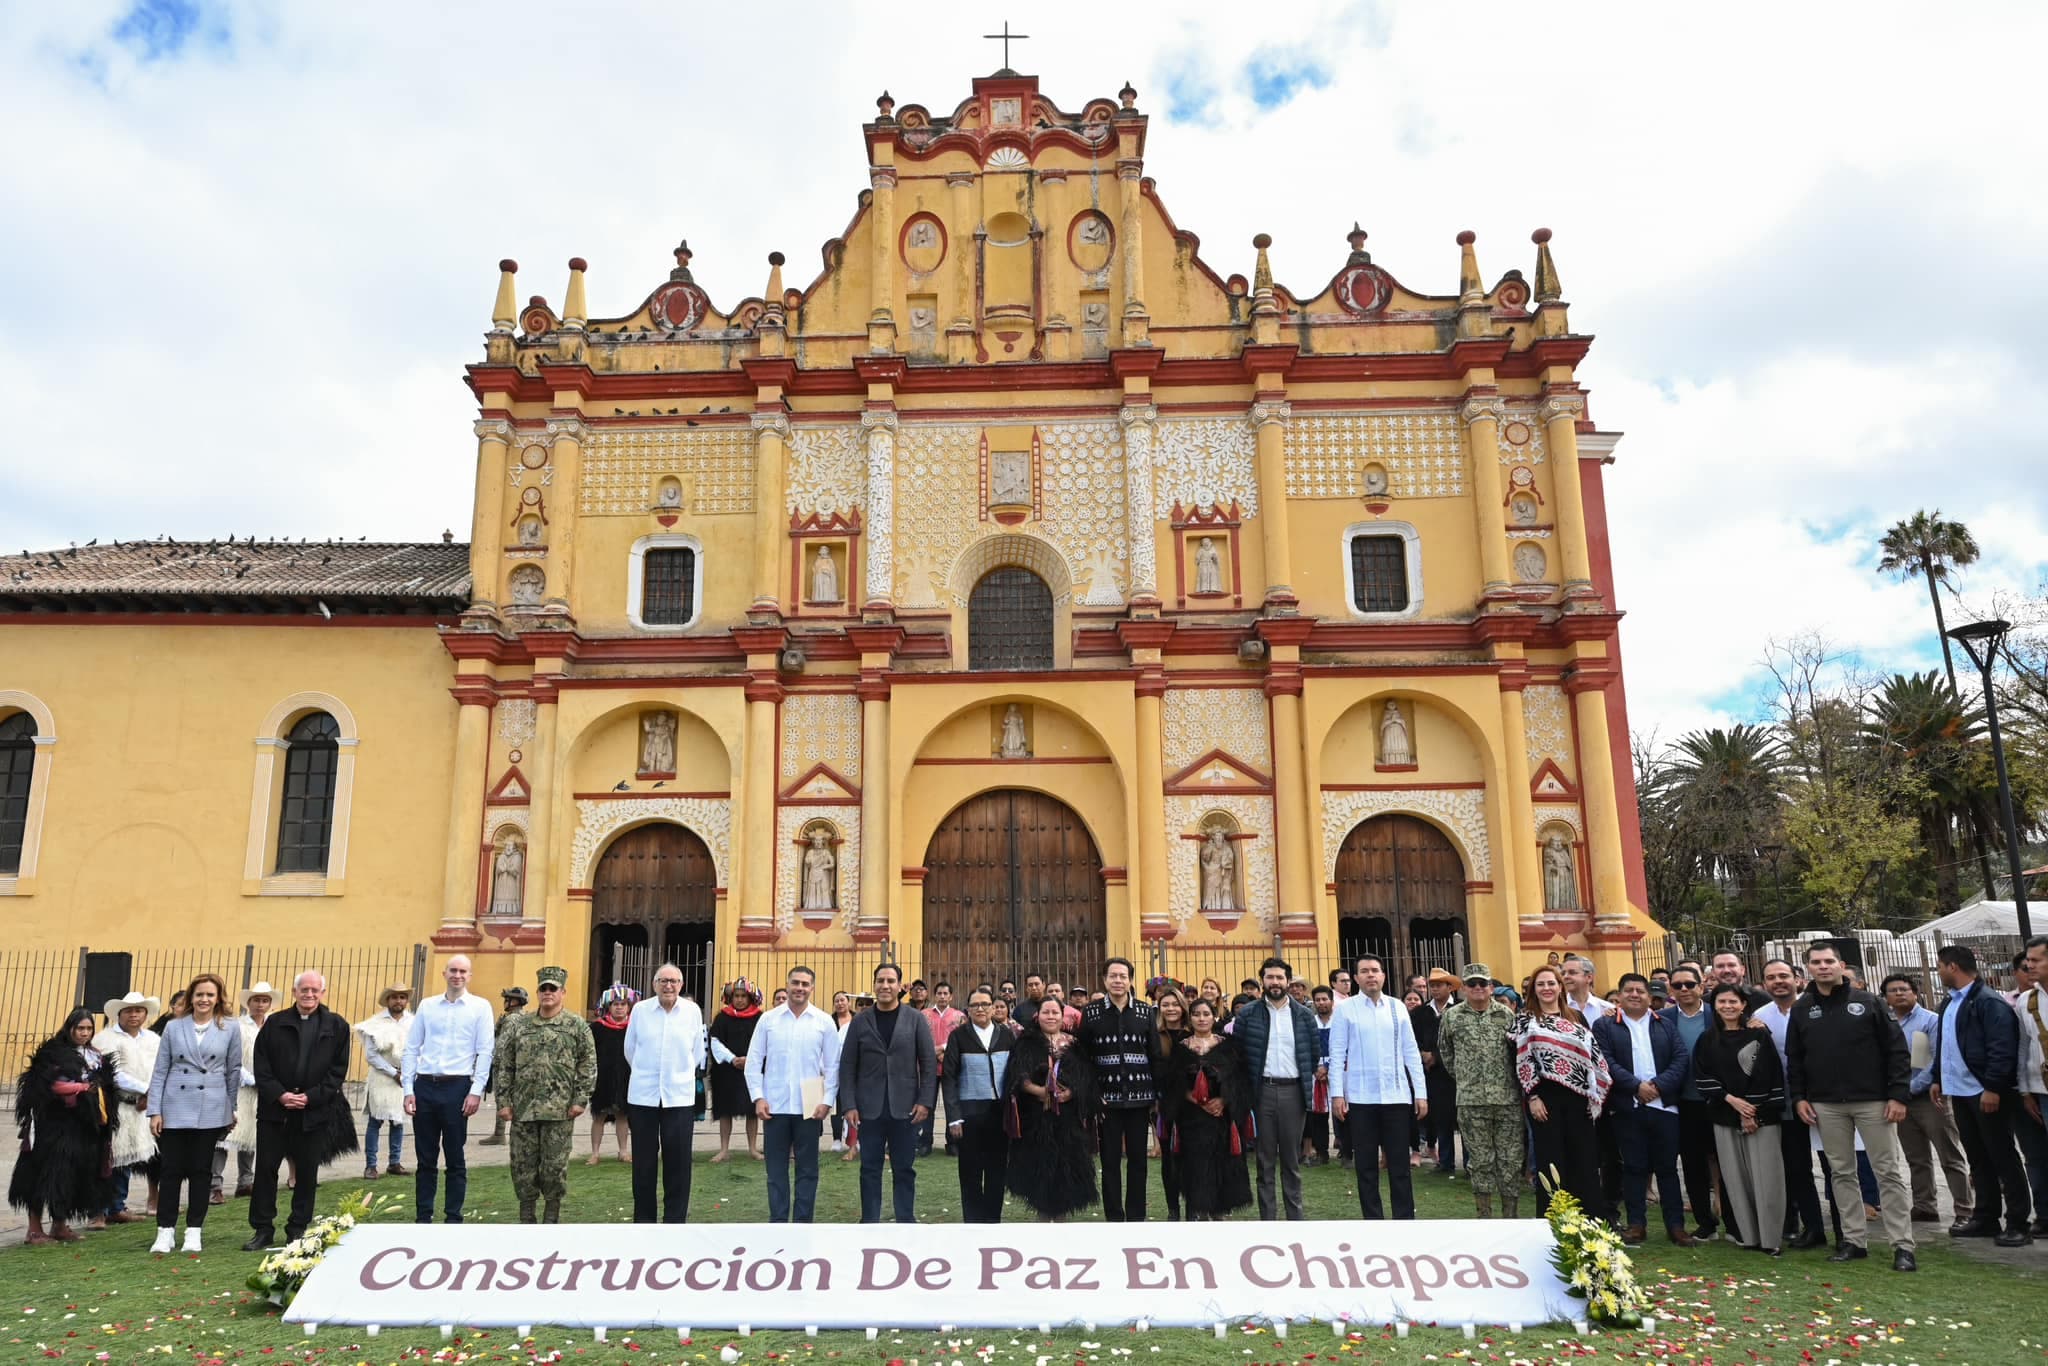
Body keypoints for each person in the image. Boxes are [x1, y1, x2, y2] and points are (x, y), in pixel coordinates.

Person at [1785, 941, 1917, 1271]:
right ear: (1809, 969)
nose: (1824, 966)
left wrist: (1898, 1095)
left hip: (1874, 1101)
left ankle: (1902, 1245)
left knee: (1887, 1172)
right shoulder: (1802, 1008)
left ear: (1841, 965)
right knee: (1841, 1173)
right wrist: (1799, 1097)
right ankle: (1854, 1240)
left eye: (1829, 961)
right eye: (1816, 962)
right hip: (1826, 1104)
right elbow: (1795, 1059)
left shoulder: (1868, 1002)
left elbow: (1897, 1051)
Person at [243, 971, 353, 1251]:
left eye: (315, 990)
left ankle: (297, 1228)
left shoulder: (336, 1026)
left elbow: (337, 1071)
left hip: (313, 1113)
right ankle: (262, 1228)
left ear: (323, 993)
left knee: (306, 1173)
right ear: (294, 992)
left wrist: (311, 1097)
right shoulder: (275, 1024)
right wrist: (280, 1094)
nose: (310, 995)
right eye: (304, 990)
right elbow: (262, 1065)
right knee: (266, 1170)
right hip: (274, 1113)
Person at [1931, 944, 2033, 1246]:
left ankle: (2018, 1222)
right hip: (1960, 1092)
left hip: (1984, 1091)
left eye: (1939, 966)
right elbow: (1945, 1044)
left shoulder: (1988, 1002)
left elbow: (2002, 1048)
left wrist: (1993, 1087)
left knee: (2003, 1156)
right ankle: (1986, 1216)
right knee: (1977, 1157)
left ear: (1952, 967)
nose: (1938, 972)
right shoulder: (1948, 1003)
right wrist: (1938, 1077)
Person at [1592, 973, 1693, 1246]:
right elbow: (1605, 1061)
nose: (1634, 994)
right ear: (1620, 995)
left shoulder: (1666, 1024)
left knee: (1668, 1169)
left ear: (1650, 996)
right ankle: (1637, 1225)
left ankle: (1676, 1227)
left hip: (1664, 1107)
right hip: (1629, 1106)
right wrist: (1637, 1086)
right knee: (1634, 1167)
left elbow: (1680, 1058)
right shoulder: (1605, 1025)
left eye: (1640, 990)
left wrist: (1658, 1086)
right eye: (1628, 990)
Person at [144, 973, 239, 1254]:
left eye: (210, 995)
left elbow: (233, 1070)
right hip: (174, 1105)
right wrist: (155, 1110)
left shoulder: (230, 1028)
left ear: (219, 997)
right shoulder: (174, 1028)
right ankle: (165, 1232)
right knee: (170, 1170)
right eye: (199, 994)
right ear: (190, 997)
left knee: (201, 1171)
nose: (204, 1000)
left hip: (211, 1106)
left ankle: (194, 1231)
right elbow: (160, 1070)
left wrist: (230, 1107)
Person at [1329, 953, 1428, 1219]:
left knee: (1399, 1165)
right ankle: (1373, 1221)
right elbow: (1337, 1054)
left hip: (1396, 1098)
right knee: (1366, 1166)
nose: (1370, 975)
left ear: (1383, 975)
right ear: (1356, 978)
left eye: (1375, 970)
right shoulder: (1346, 1010)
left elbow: (1411, 1052)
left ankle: (1404, 1222)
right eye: (1364, 971)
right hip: (1361, 1100)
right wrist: (1337, 1095)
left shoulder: (1397, 1007)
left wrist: (1420, 1093)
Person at [1693, 982, 1788, 1255]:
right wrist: (1732, 1101)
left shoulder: (1759, 1036)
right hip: (1724, 1115)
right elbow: (1703, 1076)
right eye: (1722, 1002)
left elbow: (1768, 1074)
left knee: (1766, 1178)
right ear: (1715, 1006)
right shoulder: (1707, 1040)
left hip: (1762, 1117)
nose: (1728, 1007)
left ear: (1743, 1004)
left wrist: (1752, 1111)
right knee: (1735, 1178)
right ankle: (1748, 1236)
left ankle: (1771, 1239)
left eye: (1733, 1002)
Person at [496, 966, 597, 1224]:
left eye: (553, 988)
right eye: (544, 988)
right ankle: (527, 1217)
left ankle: (552, 1216)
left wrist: (580, 1099)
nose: (548, 992)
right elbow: (505, 1065)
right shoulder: (521, 1026)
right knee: (523, 1168)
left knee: (554, 1168)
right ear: (538, 992)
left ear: (563, 992)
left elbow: (587, 1064)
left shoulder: (576, 1026)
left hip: (560, 1110)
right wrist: (503, 1101)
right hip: (523, 1109)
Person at [839, 963, 937, 1224]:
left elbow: (928, 1063)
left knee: (904, 1168)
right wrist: (848, 1104)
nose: (885, 985)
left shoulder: (915, 1020)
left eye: (891, 981)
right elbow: (847, 1065)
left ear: (899, 986)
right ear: (874, 985)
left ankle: (905, 1218)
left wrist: (925, 1101)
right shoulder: (860, 1021)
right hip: (868, 1108)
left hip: (906, 1108)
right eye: (880, 980)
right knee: (869, 1168)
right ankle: (870, 1221)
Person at [10, 1007, 118, 1244]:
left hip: (81, 1127)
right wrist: (82, 1088)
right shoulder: (53, 1054)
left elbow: (105, 1085)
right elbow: (51, 1086)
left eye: (89, 1028)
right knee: (39, 1175)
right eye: (80, 1028)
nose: (85, 1033)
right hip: (52, 1127)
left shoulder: (96, 1056)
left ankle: (59, 1225)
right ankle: (34, 1230)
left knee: (68, 1177)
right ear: (70, 1028)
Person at [401, 955, 494, 1225]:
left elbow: (485, 1051)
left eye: (463, 971)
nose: (457, 975)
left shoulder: (480, 1007)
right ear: (444, 973)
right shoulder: (428, 1006)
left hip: (458, 1086)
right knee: (425, 1157)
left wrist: (476, 1090)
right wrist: (409, 1088)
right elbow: (411, 1048)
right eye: (453, 970)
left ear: (470, 975)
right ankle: (423, 1216)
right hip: (426, 1085)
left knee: (455, 1156)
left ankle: (453, 1216)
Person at [1514, 964, 1611, 1219]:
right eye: (1541, 984)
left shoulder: (1576, 1018)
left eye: (1551, 983)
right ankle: (1553, 1225)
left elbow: (1593, 1057)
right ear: (1533, 990)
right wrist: (1532, 1097)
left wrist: (1594, 1094)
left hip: (1579, 1101)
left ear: (1560, 987)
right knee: (1551, 1165)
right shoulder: (1525, 1020)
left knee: (1584, 1163)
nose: (1547, 988)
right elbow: (1520, 1060)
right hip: (1545, 1101)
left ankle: (1589, 1225)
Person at [747, 964, 840, 1223]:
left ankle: (802, 1223)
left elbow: (833, 1066)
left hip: (810, 1104)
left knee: (807, 1170)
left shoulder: (823, 1022)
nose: (800, 988)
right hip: (774, 1104)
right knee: (775, 1170)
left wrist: (827, 1100)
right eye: (795, 983)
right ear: (787, 985)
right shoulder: (768, 1020)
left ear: (812, 987)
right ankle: (778, 1223)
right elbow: (754, 1061)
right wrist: (758, 1096)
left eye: (805, 984)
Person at [1882, 973, 1974, 1228]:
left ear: (1915, 993)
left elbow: (1935, 1060)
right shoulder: (1886, 1024)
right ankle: (1924, 1205)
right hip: (1899, 1101)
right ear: (1885, 998)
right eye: (1893, 990)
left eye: (1904, 989)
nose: (1899, 994)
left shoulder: (1930, 1021)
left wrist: (1910, 1089)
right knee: (1915, 1156)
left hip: (1928, 1097)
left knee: (1949, 1154)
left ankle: (1964, 1208)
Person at [1232, 956, 1317, 1221]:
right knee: (1264, 1160)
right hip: (1262, 1093)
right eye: (1270, 977)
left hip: (1293, 1091)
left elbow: (1312, 1054)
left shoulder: (1304, 1016)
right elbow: (1239, 1055)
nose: (1275, 982)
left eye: (1280, 977)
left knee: (1291, 1161)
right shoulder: (1248, 1014)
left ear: (1288, 981)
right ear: (1262, 981)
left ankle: (1295, 1220)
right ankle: (1268, 1221)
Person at [1437, 963, 1523, 1217]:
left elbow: (1517, 1053)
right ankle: (1484, 1215)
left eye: (1482, 984)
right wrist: (1465, 1077)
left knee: (1510, 1160)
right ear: (1463, 988)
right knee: (1480, 1160)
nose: (1477, 988)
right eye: (1471, 984)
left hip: (1506, 1098)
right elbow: (1445, 1051)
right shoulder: (1452, 1017)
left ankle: (1511, 1216)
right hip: (1471, 1101)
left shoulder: (1506, 1016)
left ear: (1491, 987)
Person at [624, 963, 707, 1223]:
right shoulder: (640, 1010)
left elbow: (697, 1053)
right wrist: (647, 1072)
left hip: (679, 1097)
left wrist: (677, 1074)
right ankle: (645, 1221)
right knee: (644, 1163)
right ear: (654, 984)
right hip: (643, 1097)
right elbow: (631, 1050)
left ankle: (675, 1220)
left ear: (681, 985)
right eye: (663, 981)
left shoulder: (692, 1011)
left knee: (679, 1163)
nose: (668, 985)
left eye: (674, 981)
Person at [1003, 996, 1098, 1221]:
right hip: (1036, 1119)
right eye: (1046, 1012)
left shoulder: (1074, 1044)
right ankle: (1042, 1220)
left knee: (1065, 1176)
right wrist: (1038, 1091)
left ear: (1062, 1015)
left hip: (1068, 1121)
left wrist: (1070, 1092)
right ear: (1038, 1015)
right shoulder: (1026, 1041)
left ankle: (1062, 1221)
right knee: (1040, 1176)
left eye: (1055, 1012)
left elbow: (1087, 1078)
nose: (1051, 1016)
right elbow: (1016, 1076)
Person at [1754, 959, 1827, 1247]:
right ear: (1764, 984)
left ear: (1797, 979)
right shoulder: (1759, 1016)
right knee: (1796, 1167)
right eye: (1771, 978)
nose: (1778, 981)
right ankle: (1812, 1227)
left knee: (1834, 1166)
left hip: (1821, 1097)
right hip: (1784, 1102)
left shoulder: (1814, 1008)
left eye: (1784, 975)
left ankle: (1846, 1229)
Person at [1078, 956, 1157, 1222]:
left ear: (1130, 980)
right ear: (1104, 979)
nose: (1118, 981)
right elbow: (1082, 1058)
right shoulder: (1091, 1013)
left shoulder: (1146, 1012)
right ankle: (1114, 1218)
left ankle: (1136, 1219)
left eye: (1123, 976)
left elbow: (1155, 1056)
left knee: (1138, 1162)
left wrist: (1156, 1096)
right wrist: (1092, 1094)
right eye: (1113, 976)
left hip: (1139, 1099)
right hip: (1106, 1103)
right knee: (1110, 1162)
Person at [1164, 998, 1253, 1220]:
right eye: (1196, 1014)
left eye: (1206, 1014)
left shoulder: (1229, 1046)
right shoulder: (1181, 1048)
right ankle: (1196, 1212)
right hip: (1192, 1118)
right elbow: (1171, 1083)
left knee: (1222, 1165)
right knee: (1194, 1165)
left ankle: (1220, 1213)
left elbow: (1241, 1080)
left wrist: (1223, 1100)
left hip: (1222, 1118)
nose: (1201, 1018)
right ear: (1190, 1018)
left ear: (1214, 1016)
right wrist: (1195, 1100)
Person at [1659, 964, 1726, 1240]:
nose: (1684, 989)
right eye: (1678, 986)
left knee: (1726, 1163)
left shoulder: (1718, 1014)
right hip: (1683, 1101)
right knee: (1693, 1165)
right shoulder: (1661, 1018)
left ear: (1701, 986)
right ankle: (1704, 1222)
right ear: (1671, 990)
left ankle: (1734, 1222)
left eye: (1689, 984)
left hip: (1719, 1099)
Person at [943, 986, 1013, 1222]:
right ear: (968, 1010)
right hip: (969, 1113)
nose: (980, 1009)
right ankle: (972, 1224)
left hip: (999, 1112)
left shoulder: (1006, 1034)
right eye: (975, 1005)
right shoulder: (958, 1036)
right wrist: (954, 1117)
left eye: (985, 1004)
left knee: (997, 1170)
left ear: (994, 1008)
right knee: (970, 1171)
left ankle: (993, 1221)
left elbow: (1014, 1074)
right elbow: (949, 1078)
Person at [94, 991, 162, 1227]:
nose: (134, 1015)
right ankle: (99, 1209)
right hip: (117, 1103)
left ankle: (117, 1206)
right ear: (119, 1014)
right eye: (129, 1011)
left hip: (143, 1107)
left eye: (139, 1010)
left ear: (145, 1014)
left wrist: (152, 1093)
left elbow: (161, 1067)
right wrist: (146, 1089)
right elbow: (114, 1073)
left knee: (128, 1156)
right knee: (109, 1156)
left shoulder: (153, 1039)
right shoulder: (106, 1039)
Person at [213, 982, 274, 1203]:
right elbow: (232, 1060)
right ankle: (215, 1185)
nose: (260, 1004)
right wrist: (254, 1080)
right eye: (256, 1000)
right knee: (226, 1136)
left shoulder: (273, 1026)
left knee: (252, 1135)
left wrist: (270, 1083)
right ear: (248, 1003)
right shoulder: (237, 1026)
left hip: (264, 1089)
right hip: (239, 1086)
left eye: (264, 1000)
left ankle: (246, 1181)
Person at [354, 985, 411, 1180]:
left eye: (402, 997)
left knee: (398, 1121)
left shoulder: (412, 1022)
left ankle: (394, 1162)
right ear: (387, 1000)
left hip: (404, 1077)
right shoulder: (375, 1024)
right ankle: (371, 1165)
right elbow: (371, 1056)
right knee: (375, 1121)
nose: (398, 1001)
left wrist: (408, 1073)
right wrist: (393, 1072)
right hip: (382, 1076)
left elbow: (418, 1049)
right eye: (394, 997)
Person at [2012, 936, 2048, 1236]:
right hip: (2035, 1090)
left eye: (2036, 960)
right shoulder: (2026, 1001)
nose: (2029, 965)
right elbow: (2023, 1048)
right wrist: (2024, 1090)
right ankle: (2045, 1215)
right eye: (2028, 960)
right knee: (2035, 1156)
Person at [708, 980, 766, 1162]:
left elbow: (765, 1042)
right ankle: (724, 1149)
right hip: (726, 1070)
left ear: (750, 998)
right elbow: (715, 1042)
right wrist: (732, 1059)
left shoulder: (760, 1018)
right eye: (736, 996)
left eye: (743, 996)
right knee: (725, 1110)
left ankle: (753, 1148)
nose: (739, 1000)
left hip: (752, 1069)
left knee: (752, 1110)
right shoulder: (722, 1018)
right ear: (730, 997)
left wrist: (749, 1060)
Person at [1412, 968, 1459, 1174]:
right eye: (1432, 985)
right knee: (1440, 1118)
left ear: (1450, 987)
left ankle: (1468, 1163)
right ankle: (1445, 1161)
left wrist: (1436, 1056)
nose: (1435, 988)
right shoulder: (1420, 1013)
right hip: (1431, 1074)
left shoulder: (1459, 1009)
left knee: (1461, 1118)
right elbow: (1412, 1039)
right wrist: (1423, 1054)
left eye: (1440, 984)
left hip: (1456, 1073)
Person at [1152, 986, 1192, 1217]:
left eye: (1175, 1004)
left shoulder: (1191, 1033)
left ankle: (1192, 1207)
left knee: (1191, 1157)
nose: (1171, 1009)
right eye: (1165, 1005)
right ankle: (1173, 1209)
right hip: (1166, 1105)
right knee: (1169, 1159)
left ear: (1182, 1006)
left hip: (1192, 1104)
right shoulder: (1155, 1035)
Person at [588, 983, 637, 1165]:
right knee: (598, 1116)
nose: (619, 1007)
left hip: (625, 1077)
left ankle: (623, 1151)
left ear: (628, 1007)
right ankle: (595, 1153)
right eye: (615, 1004)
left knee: (622, 1115)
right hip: (603, 1078)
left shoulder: (632, 1027)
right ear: (608, 1006)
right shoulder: (597, 1028)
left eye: (623, 1004)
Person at [478, 985, 528, 1147]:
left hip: (505, 1066)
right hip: (517, 1064)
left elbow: (502, 1044)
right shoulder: (523, 1017)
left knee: (503, 1099)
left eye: (509, 999)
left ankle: (500, 1134)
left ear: (517, 1001)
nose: (506, 1001)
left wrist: (494, 1062)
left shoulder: (512, 1019)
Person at [922, 981, 966, 1155]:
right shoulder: (923, 1015)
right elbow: (920, 1039)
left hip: (951, 1067)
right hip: (929, 1067)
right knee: (927, 1105)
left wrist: (943, 1050)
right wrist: (934, 1051)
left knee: (951, 1104)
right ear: (934, 995)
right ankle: (925, 1142)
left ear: (951, 996)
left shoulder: (959, 1016)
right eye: (939, 993)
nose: (942, 996)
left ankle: (953, 1142)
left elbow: (963, 1039)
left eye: (945, 993)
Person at [1306, 985, 1336, 1168]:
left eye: (1324, 999)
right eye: (1318, 1000)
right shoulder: (1310, 1023)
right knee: (1318, 1114)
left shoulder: (1339, 1021)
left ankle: (1348, 1152)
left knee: (1343, 1112)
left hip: (1338, 1070)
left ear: (1331, 1001)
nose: (1321, 1003)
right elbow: (1305, 1047)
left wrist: (1329, 1066)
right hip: (1315, 1073)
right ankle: (1321, 1152)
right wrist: (1316, 1067)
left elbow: (1343, 1046)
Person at [828, 990, 857, 1152]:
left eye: (842, 1000)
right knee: (836, 1105)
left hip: (852, 1068)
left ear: (849, 1002)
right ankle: (837, 1139)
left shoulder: (857, 1019)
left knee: (853, 1102)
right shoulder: (829, 1021)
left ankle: (855, 1138)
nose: (840, 1003)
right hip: (833, 1067)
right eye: (837, 1001)